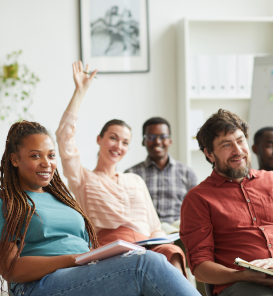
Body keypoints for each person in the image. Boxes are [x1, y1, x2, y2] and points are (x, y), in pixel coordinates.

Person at [0, 120, 201, 296]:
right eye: (35, 156)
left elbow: (85, 247)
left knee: (150, 265)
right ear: (15, 159)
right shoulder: (8, 202)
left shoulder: (62, 199)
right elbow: (10, 269)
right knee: (145, 264)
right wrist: (72, 260)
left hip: (80, 273)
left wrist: (93, 257)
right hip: (38, 285)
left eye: (51, 156)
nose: (47, 163)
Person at [55, 61, 187, 276]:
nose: (118, 146)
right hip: (112, 250)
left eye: (125, 142)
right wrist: (80, 91)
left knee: (172, 252)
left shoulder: (135, 180)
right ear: (99, 139)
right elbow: (63, 138)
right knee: (143, 263)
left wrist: (161, 239)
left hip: (148, 245)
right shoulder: (83, 178)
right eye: (113, 138)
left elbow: (154, 226)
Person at [180, 109, 273, 296]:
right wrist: (241, 275)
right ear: (210, 154)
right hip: (244, 286)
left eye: (240, 140)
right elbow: (200, 266)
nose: (238, 151)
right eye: (226, 145)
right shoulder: (197, 198)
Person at [125, 117, 198, 224]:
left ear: (170, 141)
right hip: (145, 233)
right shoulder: (130, 175)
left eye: (163, 137)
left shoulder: (188, 173)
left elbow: (196, 211)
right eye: (150, 137)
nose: (157, 142)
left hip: (178, 233)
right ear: (143, 141)